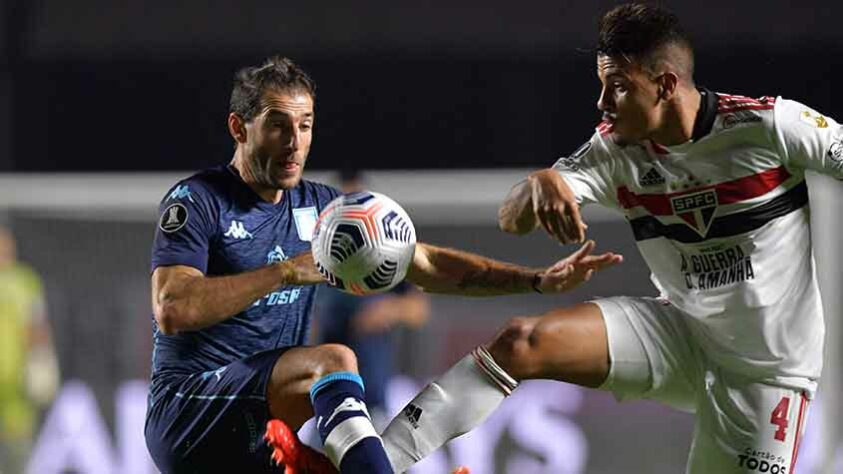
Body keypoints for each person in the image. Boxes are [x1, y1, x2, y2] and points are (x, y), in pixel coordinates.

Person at [378, 3, 843, 473]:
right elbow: (511, 219)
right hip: (681, 333)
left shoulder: (769, 128)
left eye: (618, 86)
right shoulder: (613, 151)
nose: (602, 101)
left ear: (664, 86)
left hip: (767, 372)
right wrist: (541, 182)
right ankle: (372, 464)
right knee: (521, 341)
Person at [144, 56, 621, 474]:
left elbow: (426, 263)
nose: (294, 141)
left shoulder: (326, 211)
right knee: (334, 361)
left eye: (305, 125)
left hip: (262, 431)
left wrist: (535, 280)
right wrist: (285, 272)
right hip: (189, 412)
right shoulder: (199, 200)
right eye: (277, 124)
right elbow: (173, 307)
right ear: (238, 128)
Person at [314, 169, 431, 427]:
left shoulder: (386, 253)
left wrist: (389, 309)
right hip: (323, 397)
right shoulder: (316, 256)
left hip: (372, 397)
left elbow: (419, 310)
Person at [0, 225, 60, 473]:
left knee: (19, 451)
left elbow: (37, 325)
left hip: (16, 382)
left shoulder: (25, 280)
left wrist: (42, 362)